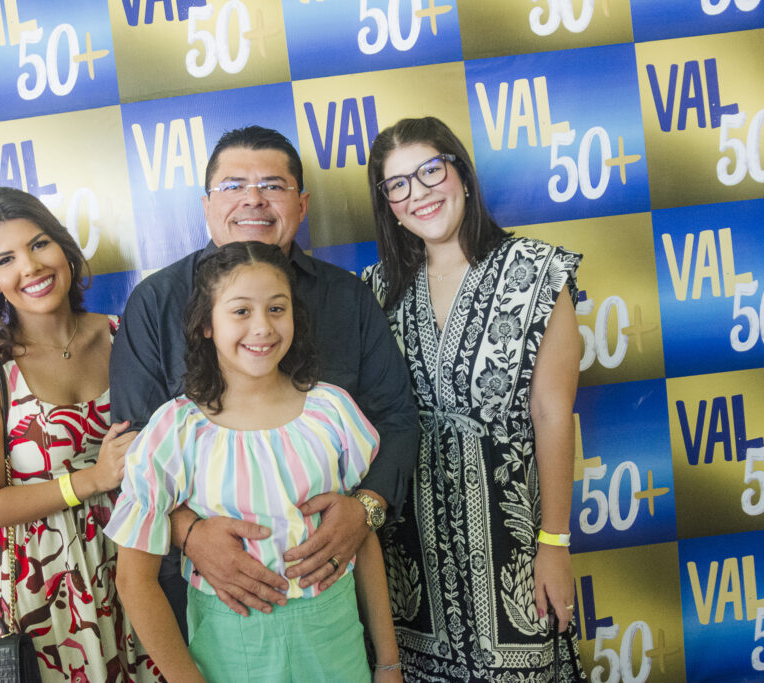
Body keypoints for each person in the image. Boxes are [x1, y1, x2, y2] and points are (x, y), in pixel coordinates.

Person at [109, 126, 420, 633]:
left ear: (301, 203)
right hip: (207, 604)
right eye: (233, 186)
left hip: (332, 602)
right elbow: (132, 447)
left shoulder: (347, 298)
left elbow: (397, 418)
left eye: (273, 185)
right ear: (207, 205)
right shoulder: (156, 302)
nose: (253, 199)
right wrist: (189, 534)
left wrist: (366, 509)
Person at [108, 241, 403, 682]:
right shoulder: (176, 430)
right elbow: (134, 581)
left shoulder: (333, 412)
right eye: (240, 311)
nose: (262, 327)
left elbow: (358, 537)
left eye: (276, 309)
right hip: (231, 653)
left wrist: (388, 661)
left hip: (335, 648)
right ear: (207, 324)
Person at [361, 117, 586, 681]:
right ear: (388, 204)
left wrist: (553, 543)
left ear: (460, 173)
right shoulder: (374, 291)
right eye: (399, 184)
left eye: (430, 170)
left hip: (512, 555)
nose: (419, 192)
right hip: (409, 566)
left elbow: (553, 416)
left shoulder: (536, 272)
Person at [0, 187, 164, 682]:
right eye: (6, 259)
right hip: (35, 590)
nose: (30, 268)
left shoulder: (124, 335)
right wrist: (91, 479)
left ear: (63, 248)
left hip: (131, 568)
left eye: (39, 244)